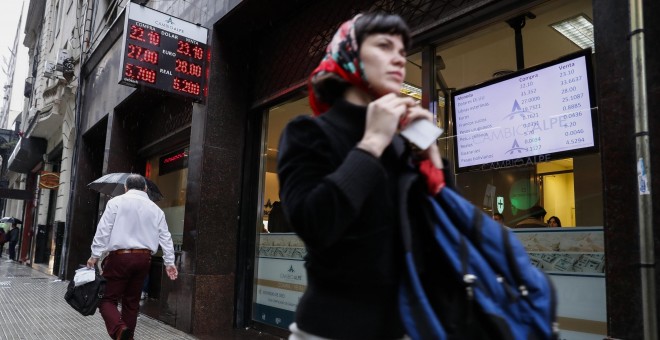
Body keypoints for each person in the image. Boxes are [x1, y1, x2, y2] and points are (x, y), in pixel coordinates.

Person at [277, 13, 446, 339]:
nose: (399, 58)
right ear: (349, 54)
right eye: (384, 46)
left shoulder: (401, 142)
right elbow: (314, 224)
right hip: (330, 328)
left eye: (401, 50)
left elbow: (434, 230)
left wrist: (431, 160)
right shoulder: (308, 132)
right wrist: (372, 143)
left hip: (403, 327)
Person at [87, 174, 178, 340]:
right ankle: (128, 337)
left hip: (119, 258)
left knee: (106, 299)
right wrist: (169, 262)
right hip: (144, 259)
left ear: (125, 188)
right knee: (131, 303)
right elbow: (166, 237)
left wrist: (95, 255)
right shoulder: (156, 209)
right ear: (145, 188)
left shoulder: (115, 202)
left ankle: (119, 329)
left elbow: (103, 230)